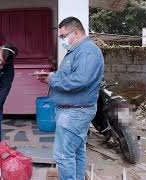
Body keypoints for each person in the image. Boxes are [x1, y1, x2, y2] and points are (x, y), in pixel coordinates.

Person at [36, 17, 104, 180]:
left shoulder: (87, 51)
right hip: (72, 111)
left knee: (63, 156)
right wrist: (50, 76)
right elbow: (69, 75)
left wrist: (52, 79)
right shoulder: (76, 51)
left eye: (63, 35)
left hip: (75, 112)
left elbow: (81, 80)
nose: (62, 40)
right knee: (76, 152)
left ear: (76, 32)